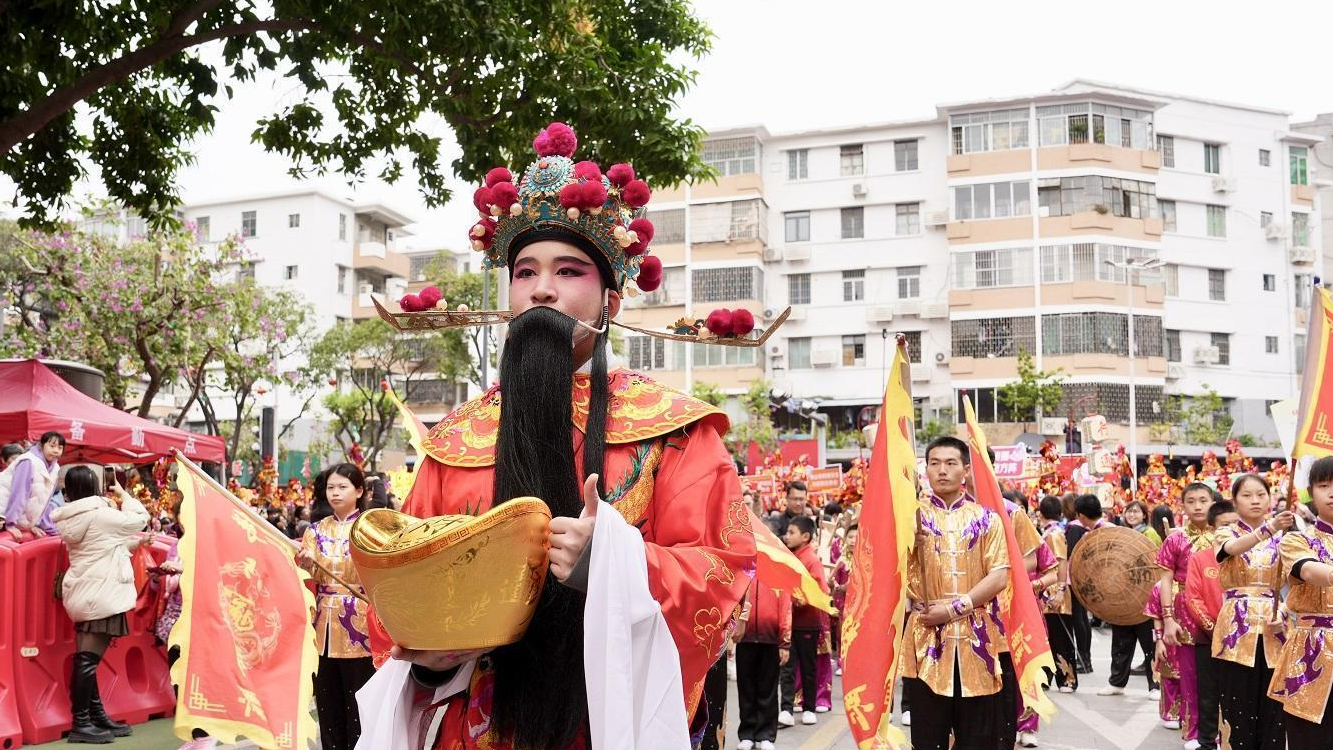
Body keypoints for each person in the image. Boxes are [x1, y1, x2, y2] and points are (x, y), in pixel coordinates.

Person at [363, 121, 756, 750]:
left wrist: (614, 566)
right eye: (525, 272)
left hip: (609, 725)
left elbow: (725, 574)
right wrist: (427, 644)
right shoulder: (454, 442)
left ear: (610, 301)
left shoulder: (676, 435)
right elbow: (396, 588)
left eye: (569, 270)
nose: (543, 287)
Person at [901, 436, 1011, 750]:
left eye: (951, 463)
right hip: (927, 642)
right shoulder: (911, 519)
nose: (942, 471)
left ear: (966, 470)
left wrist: (952, 609)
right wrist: (907, 543)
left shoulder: (986, 518)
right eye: (934, 463)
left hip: (978, 640)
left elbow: (999, 575)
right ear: (925, 469)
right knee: (927, 738)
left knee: (978, 738)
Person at [51, 466, 149, 744]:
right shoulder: (100, 514)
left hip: (84, 590)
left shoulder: (72, 517)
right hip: (102, 590)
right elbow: (140, 519)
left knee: (87, 659)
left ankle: (94, 716)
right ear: (94, 485)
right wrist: (123, 493)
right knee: (87, 661)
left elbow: (104, 545)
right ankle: (81, 722)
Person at [297, 463, 374, 750]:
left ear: (359, 490)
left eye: (342, 487)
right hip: (322, 628)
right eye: (331, 487)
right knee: (327, 703)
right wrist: (306, 564)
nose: (335, 493)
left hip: (360, 626)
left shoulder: (371, 528)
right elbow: (311, 576)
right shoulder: (315, 531)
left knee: (358, 702)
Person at [1212, 474, 1292, 749]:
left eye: (1261, 494)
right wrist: (1268, 529)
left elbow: (1297, 585)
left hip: (1274, 627)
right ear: (1234, 501)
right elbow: (1230, 550)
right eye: (1247, 495)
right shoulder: (1226, 531)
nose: (1255, 500)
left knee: (1273, 704)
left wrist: (1284, 611)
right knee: (1237, 700)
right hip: (1237, 627)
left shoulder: (1288, 539)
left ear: (1270, 498)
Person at [1269, 456, 1333, 748]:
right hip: (1312, 651)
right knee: (1309, 738)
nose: (1332, 492)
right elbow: (1308, 570)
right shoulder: (1297, 540)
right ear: (1311, 492)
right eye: (1323, 485)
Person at [1159, 483, 1220, 750]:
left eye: (1203, 500)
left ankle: (1221, 731)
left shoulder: (1225, 536)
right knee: (1191, 677)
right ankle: (1194, 732)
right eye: (1191, 501)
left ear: (1213, 502)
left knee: (1221, 677)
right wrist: (1168, 619)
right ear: (1182, 506)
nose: (1197, 506)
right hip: (1185, 612)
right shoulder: (1175, 539)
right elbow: (1165, 579)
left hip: (1220, 609)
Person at [779, 515, 827, 728]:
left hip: (807, 622)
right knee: (787, 668)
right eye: (787, 532)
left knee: (808, 667)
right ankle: (786, 708)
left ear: (805, 536)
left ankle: (809, 707)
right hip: (789, 623)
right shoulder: (789, 555)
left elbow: (820, 590)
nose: (787, 536)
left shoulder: (811, 560)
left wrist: (800, 599)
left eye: (792, 533)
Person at [734, 571, 791, 750]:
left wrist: (784, 642)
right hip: (745, 638)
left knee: (769, 689)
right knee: (746, 689)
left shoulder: (778, 573)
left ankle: (766, 734)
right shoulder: (743, 571)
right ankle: (747, 733)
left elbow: (785, 608)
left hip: (770, 639)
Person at [1037, 495, 1077, 695]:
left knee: (1061, 637)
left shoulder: (1054, 534)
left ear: (1040, 512)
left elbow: (1062, 562)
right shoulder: (1049, 532)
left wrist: (1061, 590)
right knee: (1047, 637)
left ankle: (1067, 679)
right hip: (1046, 591)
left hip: (1055, 592)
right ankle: (1047, 678)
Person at [1, 431, 65, 542]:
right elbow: (19, 493)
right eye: (52, 446)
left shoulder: (55, 468)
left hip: (20, 522)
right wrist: (10, 523)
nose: (56, 450)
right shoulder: (28, 461)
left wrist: (33, 525)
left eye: (60, 447)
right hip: (3, 516)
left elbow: (46, 500)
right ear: (41, 445)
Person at [1065, 494, 1101, 674]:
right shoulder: (1108, 527)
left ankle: (1083, 659)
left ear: (1080, 514)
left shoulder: (1074, 528)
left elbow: (1069, 555)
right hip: (1091, 579)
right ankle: (1086, 659)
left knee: (1078, 619)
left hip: (1075, 579)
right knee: (1083, 620)